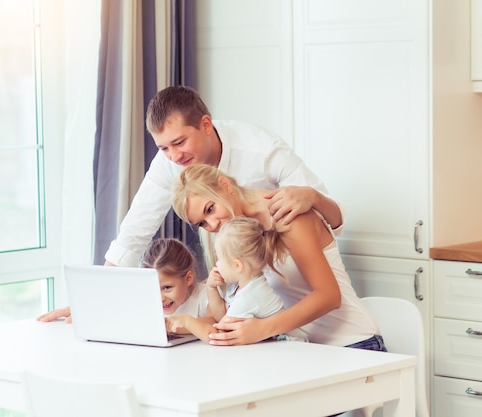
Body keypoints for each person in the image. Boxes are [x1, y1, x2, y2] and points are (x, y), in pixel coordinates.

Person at [104, 85, 344, 268]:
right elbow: (134, 231)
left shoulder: (263, 150)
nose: (174, 156)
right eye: (163, 148)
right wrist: (96, 296)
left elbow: (334, 224)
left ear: (206, 125)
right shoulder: (167, 164)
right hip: (235, 282)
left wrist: (312, 197)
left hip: (293, 273)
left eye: (179, 142)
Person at [171, 163, 386, 351]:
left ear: (226, 186)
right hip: (308, 352)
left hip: (354, 346)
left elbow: (330, 296)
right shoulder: (238, 238)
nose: (213, 224)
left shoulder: (286, 214)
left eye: (210, 209)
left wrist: (261, 329)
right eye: (202, 223)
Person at [166, 216, 308, 343]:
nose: (217, 264)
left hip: (291, 347)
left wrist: (187, 322)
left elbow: (219, 336)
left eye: (220, 259)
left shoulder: (250, 296)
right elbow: (221, 315)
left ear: (237, 265)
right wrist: (211, 288)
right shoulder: (238, 285)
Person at [37, 238, 208, 322]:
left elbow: (211, 328)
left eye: (167, 288)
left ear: (188, 279)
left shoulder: (204, 298)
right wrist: (87, 310)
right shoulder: (144, 300)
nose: (160, 297)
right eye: (152, 288)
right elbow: (115, 310)